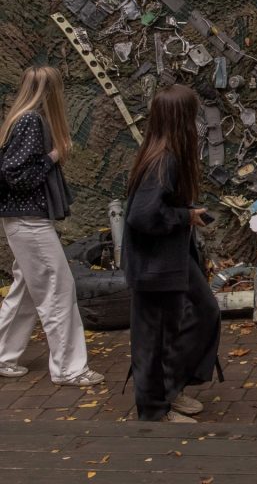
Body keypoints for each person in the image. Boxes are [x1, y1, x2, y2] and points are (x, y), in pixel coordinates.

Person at [0, 65, 104, 386]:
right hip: (29, 221)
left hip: (22, 220)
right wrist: (54, 156)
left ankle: (3, 354)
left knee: (28, 290)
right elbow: (15, 175)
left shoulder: (21, 118)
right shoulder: (32, 121)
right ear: (53, 92)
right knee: (59, 288)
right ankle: (69, 368)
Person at [123, 84, 220, 423]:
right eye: (192, 116)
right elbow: (141, 215)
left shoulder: (166, 153)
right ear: (182, 119)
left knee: (205, 310)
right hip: (154, 264)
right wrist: (185, 217)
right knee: (154, 336)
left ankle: (171, 386)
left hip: (172, 256)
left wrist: (187, 211)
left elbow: (155, 205)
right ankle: (153, 410)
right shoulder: (163, 159)